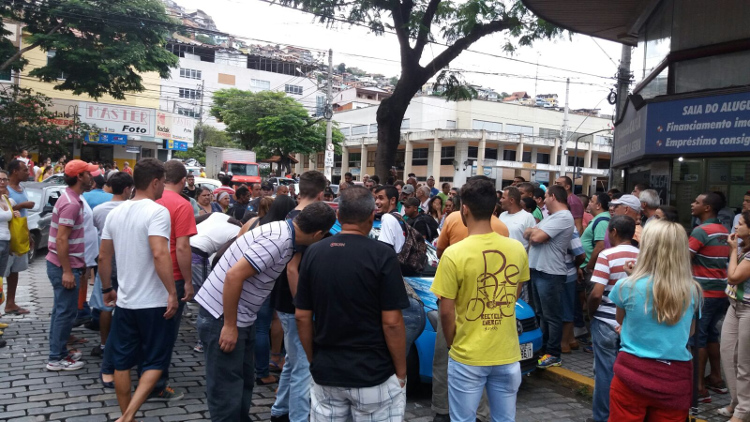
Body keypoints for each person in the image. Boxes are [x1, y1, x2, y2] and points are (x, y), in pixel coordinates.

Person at [195, 203, 335, 422]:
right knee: (226, 389)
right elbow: (233, 276)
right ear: (318, 234)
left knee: (242, 380)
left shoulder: (284, 232)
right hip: (222, 316)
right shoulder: (279, 240)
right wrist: (229, 325)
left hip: (241, 316)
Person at [295, 186, 409, 421]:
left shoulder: (313, 252)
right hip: (373, 372)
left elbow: (302, 316)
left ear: (338, 216)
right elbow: (392, 322)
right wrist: (401, 371)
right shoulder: (382, 255)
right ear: (371, 217)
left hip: (327, 372)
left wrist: (313, 358)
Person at [431, 177, 529, 422]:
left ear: (464, 209)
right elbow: (515, 293)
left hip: (468, 354)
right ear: (494, 208)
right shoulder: (516, 248)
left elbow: (446, 311)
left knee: (462, 419)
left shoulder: (454, 254)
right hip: (507, 353)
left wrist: (453, 343)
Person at [97, 158, 178, 422]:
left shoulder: (115, 212)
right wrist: (172, 292)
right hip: (153, 302)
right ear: (155, 182)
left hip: (125, 301)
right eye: (163, 183)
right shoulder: (157, 211)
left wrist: (107, 288)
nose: (164, 188)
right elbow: (159, 253)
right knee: (155, 361)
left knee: (121, 362)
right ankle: (129, 415)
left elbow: (104, 257)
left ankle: (125, 415)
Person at [608, 219, 701, 421]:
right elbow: (690, 331)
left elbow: (621, 320)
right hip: (675, 377)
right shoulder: (693, 290)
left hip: (631, 373)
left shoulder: (626, 286)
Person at [271, 170, 328, 422]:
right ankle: (297, 417)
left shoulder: (290, 213)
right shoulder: (304, 220)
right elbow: (292, 267)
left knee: (293, 362)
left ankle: (280, 411)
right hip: (293, 301)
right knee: (303, 367)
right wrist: (301, 306)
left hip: (285, 300)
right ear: (321, 194)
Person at [149, 160, 197, 401]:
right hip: (173, 276)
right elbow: (182, 246)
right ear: (183, 179)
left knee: (146, 328)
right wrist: (188, 281)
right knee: (166, 332)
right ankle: (158, 384)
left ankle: (143, 373)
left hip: (146, 273)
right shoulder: (182, 204)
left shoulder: (146, 200)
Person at [45, 160, 98, 371]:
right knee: (64, 313)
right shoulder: (72, 203)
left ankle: (59, 352)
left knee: (62, 311)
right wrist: (67, 270)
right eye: (88, 173)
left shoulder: (72, 198)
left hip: (69, 265)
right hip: (63, 267)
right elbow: (61, 240)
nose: (92, 176)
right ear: (79, 177)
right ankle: (56, 357)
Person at [586, 215, 638, 422]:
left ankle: (603, 417)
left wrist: (591, 312)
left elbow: (597, 293)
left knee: (605, 373)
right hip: (630, 322)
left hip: (605, 321)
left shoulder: (607, 255)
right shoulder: (643, 254)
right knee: (627, 373)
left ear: (614, 232)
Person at [524, 185, 574, 369]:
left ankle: (553, 353)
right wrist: (535, 233)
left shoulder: (564, 216)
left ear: (553, 196)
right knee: (540, 314)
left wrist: (536, 233)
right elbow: (527, 233)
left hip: (551, 272)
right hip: (538, 270)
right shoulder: (551, 217)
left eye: (545, 196)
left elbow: (535, 237)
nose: (543, 200)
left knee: (551, 316)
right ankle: (543, 349)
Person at [91, 172, 134, 385]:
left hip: (105, 262)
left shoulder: (99, 211)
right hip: (127, 264)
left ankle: (104, 343)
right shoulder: (130, 210)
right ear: (127, 189)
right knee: (126, 307)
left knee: (105, 305)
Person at [689, 192, 731, 403]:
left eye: (697, 202)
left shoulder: (701, 231)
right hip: (721, 293)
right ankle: (716, 377)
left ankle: (698, 387)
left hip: (703, 293)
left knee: (699, 337)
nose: (692, 204)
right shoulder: (723, 231)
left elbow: (685, 258)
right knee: (712, 334)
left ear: (707, 208)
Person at [189, 213, 243, 353]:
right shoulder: (239, 232)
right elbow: (219, 256)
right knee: (207, 299)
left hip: (182, 247)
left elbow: (192, 220)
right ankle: (202, 342)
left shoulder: (217, 214)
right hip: (198, 254)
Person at [718, 210, 750, 421]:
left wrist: (731, 250)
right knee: (728, 354)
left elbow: (733, 277)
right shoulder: (743, 248)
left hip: (747, 309)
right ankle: (736, 401)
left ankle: (743, 411)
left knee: (744, 362)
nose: (736, 227)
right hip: (734, 305)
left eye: (741, 223)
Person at [4, 160, 34, 315]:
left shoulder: (22, 188)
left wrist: (28, 234)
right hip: (8, 235)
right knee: (4, 271)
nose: (28, 173)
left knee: (15, 270)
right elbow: (6, 209)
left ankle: (11, 302)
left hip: (20, 233)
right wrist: (22, 205)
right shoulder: (5, 189)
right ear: (15, 171)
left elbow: (23, 216)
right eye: (24, 170)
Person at [0, 170, 17, 345]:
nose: (3, 182)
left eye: (5, 179)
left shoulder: (5, 199)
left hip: (5, 243)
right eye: (0, 180)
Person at [579, 193, 611, 282]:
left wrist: (589, 266)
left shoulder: (602, 222)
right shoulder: (599, 220)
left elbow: (601, 245)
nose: (589, 203)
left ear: (598, 205)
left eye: (592, 201)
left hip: (590, 268)